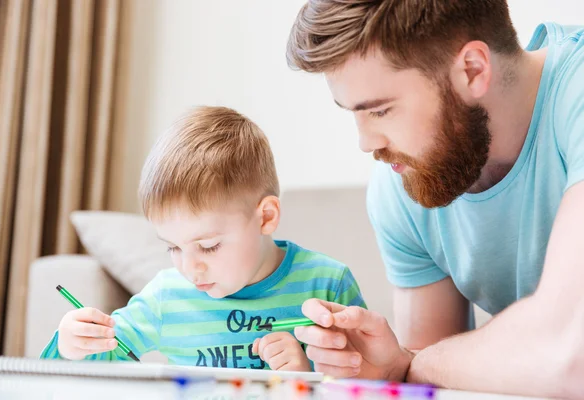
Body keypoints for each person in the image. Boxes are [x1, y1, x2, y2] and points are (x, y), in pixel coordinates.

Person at [286, 0, 584, 398]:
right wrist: (397, 366)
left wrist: (417, 364)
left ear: (472, 69)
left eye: (380, 111)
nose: (366, 144)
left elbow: (569, 355)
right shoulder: (405, 182)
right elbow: (435, 385)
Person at [39, 106, 366, 371]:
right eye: (173, 247)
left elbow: (372, 381)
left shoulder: (327, 285)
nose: (190, 268)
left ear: (266, 217)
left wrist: (305, 376)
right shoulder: (166, 297)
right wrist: (70, 345)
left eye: (209, 246)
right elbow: (74, 374)